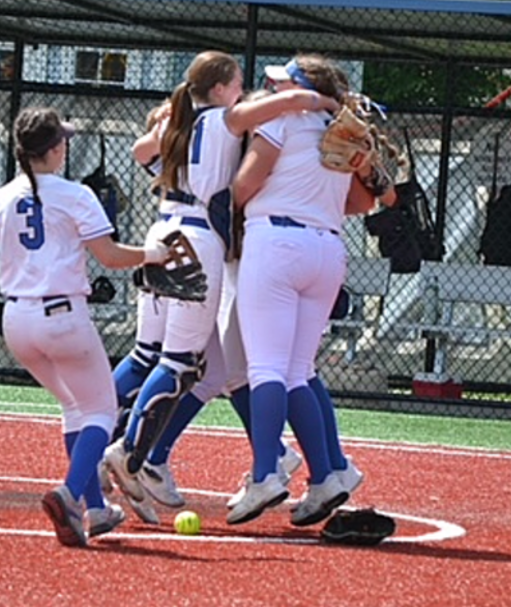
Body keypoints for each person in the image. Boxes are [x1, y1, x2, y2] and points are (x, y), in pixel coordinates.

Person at [103, 51, 339, 511]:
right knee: (178, 363)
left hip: (164, 232)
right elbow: (263, 111)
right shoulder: (223, 118)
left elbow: (139, 152)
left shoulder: (183, 121)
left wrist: (167, 125)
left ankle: (106, 435)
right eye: (235, 84)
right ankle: (132, 452)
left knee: (174, 358)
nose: (244, 90)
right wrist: (319, 101)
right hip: (198, 239)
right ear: (218, 89)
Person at [0, 106, 170, 547]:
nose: (66, 147)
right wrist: (155, 254)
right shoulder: (76, 194)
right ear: (53, 149)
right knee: (100, 409)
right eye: (63, 141)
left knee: (76, 408)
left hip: (16, 319)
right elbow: (110, 257)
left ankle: (96, 509)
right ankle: (70, 493)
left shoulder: (3, 194)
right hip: (62, 315)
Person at [227, 53, 387, 528]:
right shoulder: (342, 127)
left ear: (300, 88)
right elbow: (362, 201)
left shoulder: (285, 119)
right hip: (327, 247)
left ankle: (265, 475)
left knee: (267, 368)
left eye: (283, 83)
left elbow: (243, 187)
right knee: (299, 370)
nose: (275, 90)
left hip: (277, 241)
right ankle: (328, 475)